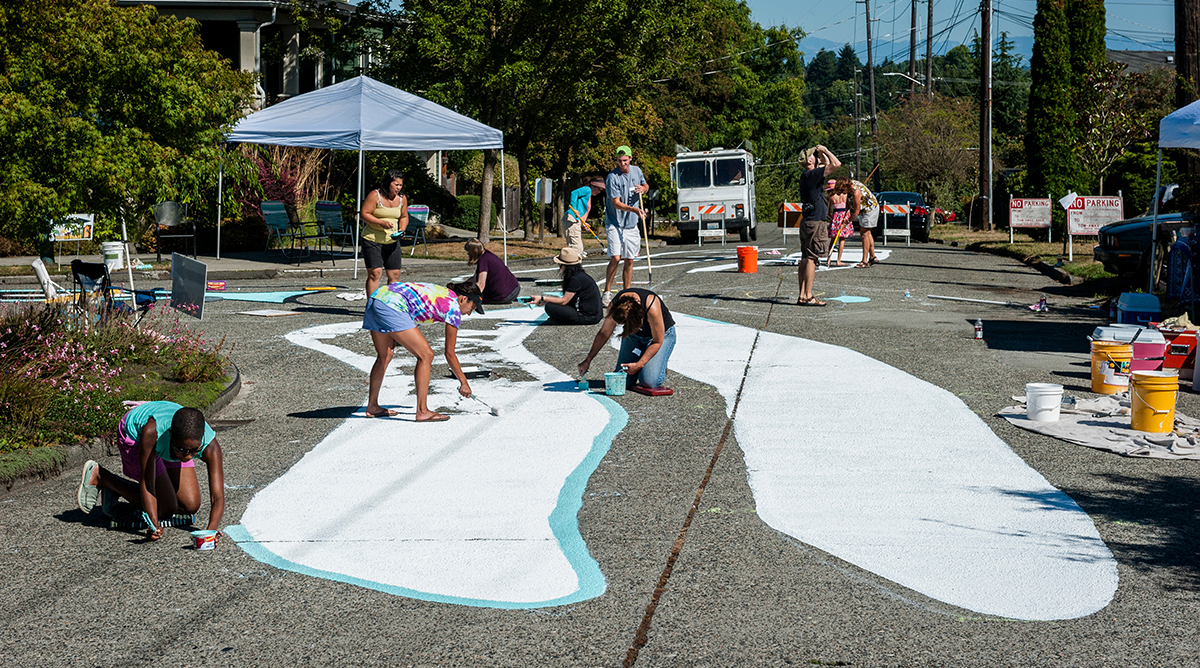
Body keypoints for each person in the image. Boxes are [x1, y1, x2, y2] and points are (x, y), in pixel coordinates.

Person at [76, 401, 225, 542]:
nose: (186, 456)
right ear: (171, 434)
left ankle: (118, 489)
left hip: (168, 436)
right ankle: (104, 478)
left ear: (202, 436)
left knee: (190, 505)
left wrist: (211, 532)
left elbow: (217, 496)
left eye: (194, 451)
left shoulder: (209, 446)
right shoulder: (151, 432)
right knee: (166, 509)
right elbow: (148, 484)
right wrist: (153, 525)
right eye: (182, 450)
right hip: (135, 435)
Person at [362, 280, 483, 422]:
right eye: (472, 307)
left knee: (385, 356)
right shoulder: (453, 307)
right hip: (392, 304)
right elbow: (449, 353)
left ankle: (372, 406)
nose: (469, 313)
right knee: (426, 355)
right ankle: (422, 411)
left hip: (378, 297)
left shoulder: (443, 293)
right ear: (463, 299)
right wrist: (463, 382)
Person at [578, 288, 676, 389]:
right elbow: (604, 333)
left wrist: (639, 364)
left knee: (649, 382)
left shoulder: (651, 306)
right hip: (635, 337)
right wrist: (588, 360)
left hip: (660, 336)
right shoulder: (615, 306)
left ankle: (658, 364)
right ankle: (647, 361)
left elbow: (657, 341)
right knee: (622, 380)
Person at [602, 146, 649, 306]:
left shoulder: (636, 171)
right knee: (616, 257)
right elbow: (616, 203)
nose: (622, 164)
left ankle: (626, 293)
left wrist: (644, 188)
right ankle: (607, 291)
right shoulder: (612, 178)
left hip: (631, 224)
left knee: (629, 259)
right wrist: (634, 209)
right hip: (615, 223)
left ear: (630, 158)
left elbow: (645, 185)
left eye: (624, 160)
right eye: (619, 161)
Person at [796, 145, 841, 306]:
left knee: (805, 257)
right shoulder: (813, 174)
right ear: (809, 160)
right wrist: (826, 150)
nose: (817, 157)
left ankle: (802, 294)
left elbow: (826, 164)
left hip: (808, 220)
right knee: (811, 258)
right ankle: (808, 295)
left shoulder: (807, 175)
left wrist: (821, 153)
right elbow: (836, 164)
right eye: (814, 155)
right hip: (815, 222)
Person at [359, 170, 408, 297]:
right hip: (372, 240)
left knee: (394, 275)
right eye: (396, 184)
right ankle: (372, 305)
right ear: (388, 183)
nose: (398, 188)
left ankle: (390, 305)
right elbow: (364, 214)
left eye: (400, 185)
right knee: (375, 273)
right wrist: (381, 223)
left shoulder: (402, 198)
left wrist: (402, 229)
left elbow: (404, 216)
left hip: (392, 241)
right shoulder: (376, 195)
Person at [530, 247, 603, 325]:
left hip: (587, 316)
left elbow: (564, 301)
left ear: (564, 265)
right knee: (551, 306)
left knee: (549, 307)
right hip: (593, 315)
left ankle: (562, 320)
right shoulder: (578, 275)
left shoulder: (575, 279)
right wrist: (544, 301)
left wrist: (542, 298)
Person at [464, 238, 520, 304]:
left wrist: (469, 298)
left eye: (468, 253)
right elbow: (476, 277)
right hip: (515, 288)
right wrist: (463, 286)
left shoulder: (483, 261)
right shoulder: (488, 255)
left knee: (480, 295)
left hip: (503, 296)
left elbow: (481, 285)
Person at [565, 179, 605, 257]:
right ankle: (575, 268)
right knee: (577, 249)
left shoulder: (588, 195)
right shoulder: (587, 189)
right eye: (599, 189)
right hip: (571, 219)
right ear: (593, 185)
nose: (599, 191)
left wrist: (583, 222)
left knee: (574, 248)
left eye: (601, 190)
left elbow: (581, 208)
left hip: (573, 220)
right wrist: (574, 209)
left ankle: (568, 267)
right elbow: (574, 193)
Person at [850, 179, 880, 267]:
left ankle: (864, 261)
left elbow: (856, 211)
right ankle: (872, 256)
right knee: (867, 232)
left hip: (869, 209)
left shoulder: (856, 192)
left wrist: (847, 222)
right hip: (865, 210)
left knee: (864, 234)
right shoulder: (850, 186)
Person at [827, 178, 856, 267]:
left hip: (835, 218)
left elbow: (827, 212)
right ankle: (838, 260)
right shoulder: (845, 195)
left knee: (833, 239)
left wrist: (832, 218)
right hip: (844, 218)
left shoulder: (831, 198)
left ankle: (828, 259)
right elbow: (849, 206)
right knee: (842, 239)